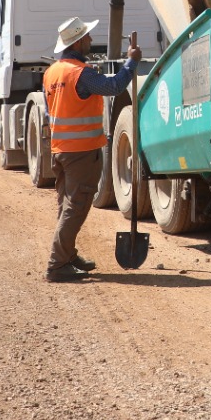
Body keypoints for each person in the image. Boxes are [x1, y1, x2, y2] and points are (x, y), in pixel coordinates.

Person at [42, 15, 141, 283]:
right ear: (77, 42)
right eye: (87, 36)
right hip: (81, 152)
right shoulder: (80, 73)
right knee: (76, 207)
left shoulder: (51, 73)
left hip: (60, 150)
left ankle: (68, 256)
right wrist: (132, 61)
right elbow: (114, 86)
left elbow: (51, 111)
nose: (91, 39)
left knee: (66, 206)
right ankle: (57, 264)